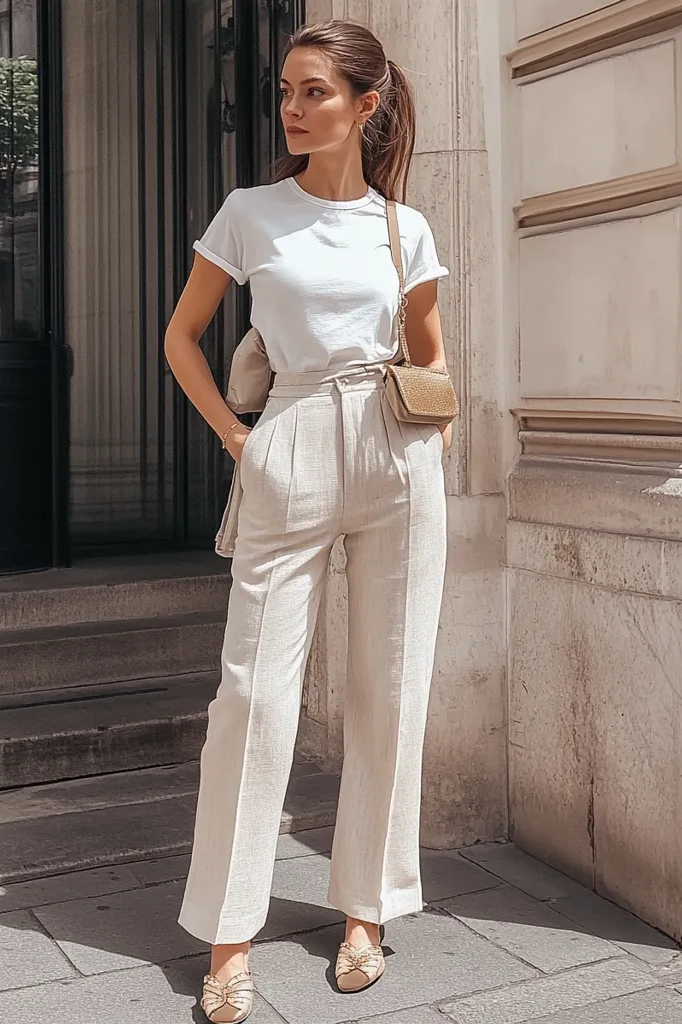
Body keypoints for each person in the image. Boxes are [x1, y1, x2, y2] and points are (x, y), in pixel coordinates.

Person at [164, 18, 451, 1023]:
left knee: (389, 687)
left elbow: (429, 351)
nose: (291, 107)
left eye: (314, 91)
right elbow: (182, 336)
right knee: (251, 696)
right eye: (285, 90)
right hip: (286, 441)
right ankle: (228, 935)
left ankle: (367, 911)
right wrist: (239, 441)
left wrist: (426, 445)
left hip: (394, 453)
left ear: (365, 106)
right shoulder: (250, 213)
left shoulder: (403, 227)